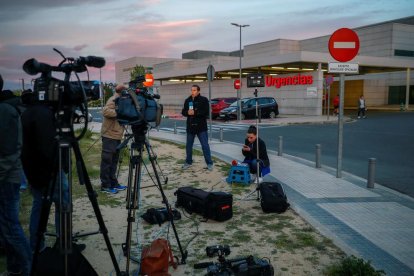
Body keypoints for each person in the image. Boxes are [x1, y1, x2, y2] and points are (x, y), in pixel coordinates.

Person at [0, 79, 32, 275]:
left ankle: (26, 268)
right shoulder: (7, 108)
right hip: (9, 176)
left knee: (10, 227)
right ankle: (16, 268)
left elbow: (9, 152)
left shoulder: (5, 111)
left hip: (6, 179)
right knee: (7, 227)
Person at [100, 84, 128, 194]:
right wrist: (119, 113)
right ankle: (105, 185)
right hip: (109, 135)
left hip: (116, 135)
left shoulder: (121, 100)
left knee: (114, 161)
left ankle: (113, 183)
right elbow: (105, 111)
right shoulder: (114, 99)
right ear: (122, 91)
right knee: (107, 161)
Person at [181, 84, 213, 171]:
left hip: (201, 127)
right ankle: (188, 162)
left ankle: (209, 163)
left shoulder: (203, 100)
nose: (192, 92)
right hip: (190, 127)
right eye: (191, 90)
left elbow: (206, 112)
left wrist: (195, 112)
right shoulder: (188, 100)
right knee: (188, 146)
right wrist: (187, 112)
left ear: (198, 91)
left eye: (194, 90)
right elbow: (183, 112)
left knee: (205, 145)